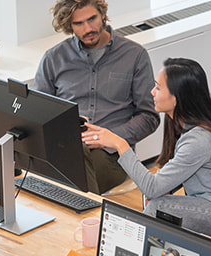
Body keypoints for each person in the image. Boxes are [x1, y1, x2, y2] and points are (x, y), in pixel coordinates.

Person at [83, 58, 211, 235]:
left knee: (158, 206)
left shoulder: (199, 139)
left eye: (158, 87)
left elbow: (151, 188)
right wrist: (166, 188)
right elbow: (169, 179)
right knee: (157, 201)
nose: (152, 92)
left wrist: (119, 143)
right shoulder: (186, 124)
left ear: (177, 98)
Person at [35, 0, 158, 194]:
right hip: (67, 147)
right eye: (79, 24)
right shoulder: (53, 59)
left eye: (92, 19)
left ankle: (84, 214)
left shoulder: (135, 55)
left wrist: (109, 137)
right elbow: (38, 113)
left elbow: (149, 117)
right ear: (69, 25)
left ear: (102, 14)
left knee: (68, 174)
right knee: (69, 156)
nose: (88, 28)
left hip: (110, 154)